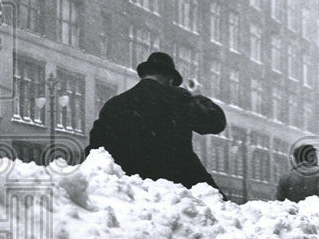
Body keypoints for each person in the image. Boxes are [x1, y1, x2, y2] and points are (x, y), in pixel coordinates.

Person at [84, 51, 226, 191]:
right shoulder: (178, 98)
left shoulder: (115, 104)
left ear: (145, 75)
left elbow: (96, 149)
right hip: (176, 184)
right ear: (170, 79)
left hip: (131, 187)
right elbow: (215, 123)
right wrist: (196, 97)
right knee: (218, 208)